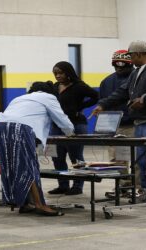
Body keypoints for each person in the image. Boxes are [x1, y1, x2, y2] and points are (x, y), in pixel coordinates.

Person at [92, 40, 146, 204]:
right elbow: (123, 91)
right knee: (144, 160)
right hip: (141, 122)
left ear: (139, 54)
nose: (130, 60)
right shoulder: (137, 72)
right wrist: (103, 104)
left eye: (131, 56)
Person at [0, 81, 74, 216]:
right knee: (28, 166)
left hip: (0, 126)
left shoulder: (19, 98)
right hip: (20, 128)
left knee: (11, 165)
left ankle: (24, 202)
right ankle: (40, 205)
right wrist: (71, 133)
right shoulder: (48, 97)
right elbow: (62, 119)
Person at [48, 61, 99, 195]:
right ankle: (63, 185)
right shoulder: (55, 87)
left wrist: (80, 107)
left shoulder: (79, 86)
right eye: (55, 73)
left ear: (68, 72)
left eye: (60, 73)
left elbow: (96, 96)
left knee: (76, 156)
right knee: (57, 156)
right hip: (57, 125)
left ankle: (77, 186)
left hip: (76, 124)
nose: (58, 76)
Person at [99, 50, 136, 197]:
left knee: (137, 158)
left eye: (123, 65)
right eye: (116, 65)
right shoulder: (106, 82)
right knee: (117, 158)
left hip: (134, 124)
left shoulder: (137, 78)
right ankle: (122, 186)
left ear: (131, 64)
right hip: (113, 126)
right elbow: (103, 103)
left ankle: (139, 187)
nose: (119, 68)